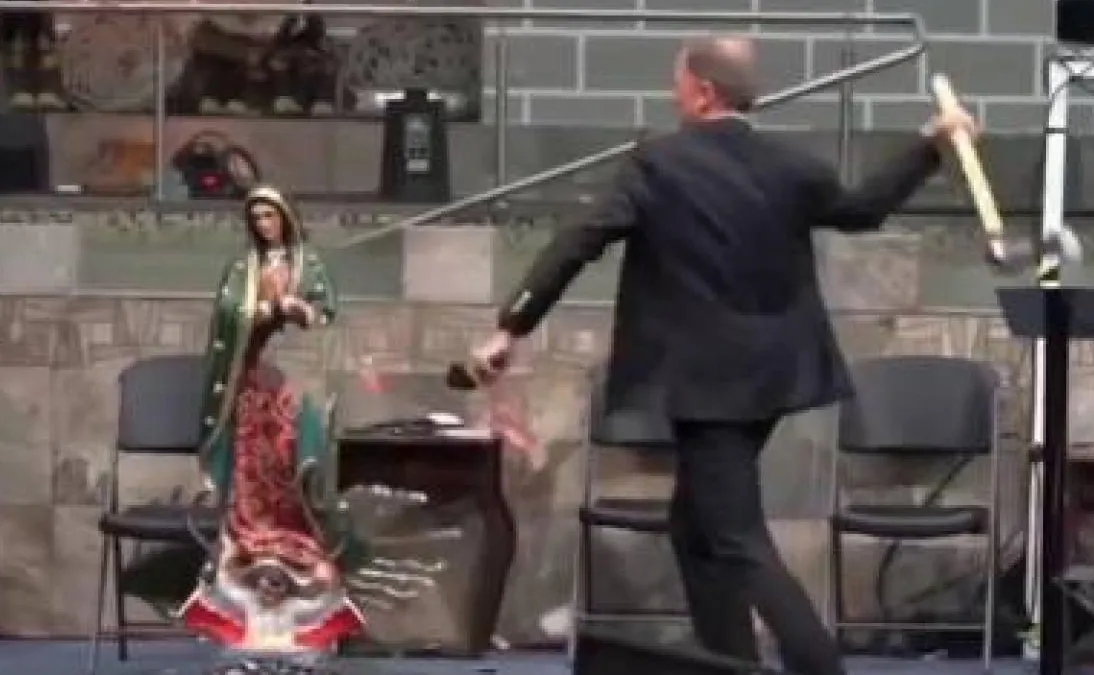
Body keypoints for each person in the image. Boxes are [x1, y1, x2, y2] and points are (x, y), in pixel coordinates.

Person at [468, 36, 979, 675]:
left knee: (737, 538)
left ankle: (820, 667)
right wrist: (930, 147)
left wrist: (511, 326)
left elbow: (581, 240)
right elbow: (862, 209)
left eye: (678, 82)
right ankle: (729, 661)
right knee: (695, 528)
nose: (672, 93)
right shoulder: (789, 165)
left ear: (704, 92)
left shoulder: (658, 163)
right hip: (772, 377)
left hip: (705, 384)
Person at [178, 184, 365, 653]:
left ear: (286, 217)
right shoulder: (242, 269)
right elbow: (227, 318)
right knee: (252, 484)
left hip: (296, 388)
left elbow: (328, 316)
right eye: (257, 217)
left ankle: (308, 613)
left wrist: (302, 311)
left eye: (270, 216)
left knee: (298, 480)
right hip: (253, 386)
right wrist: (261, 311)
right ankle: (246, 606)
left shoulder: (309, 264)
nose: (264, 225)